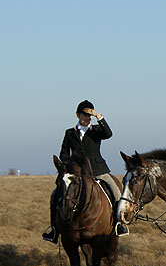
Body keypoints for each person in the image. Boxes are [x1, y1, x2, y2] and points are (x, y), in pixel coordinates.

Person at [42, 100, 128, 242]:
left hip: (98, 170)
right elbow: (63, 153)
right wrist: (71, 163)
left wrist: (99, 116)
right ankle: (54, 229)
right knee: (55, 195)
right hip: (76, 172)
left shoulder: (97, 130)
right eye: (85, 114)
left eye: (90, 115)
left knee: (116, 191)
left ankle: (119, 224)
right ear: (78, 115)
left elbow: (109, 134)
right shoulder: (70, 133)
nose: (88, 118)